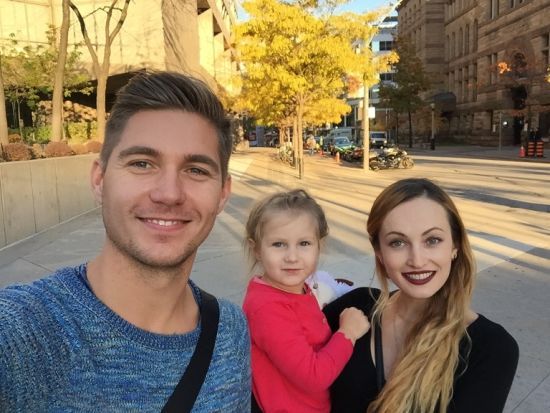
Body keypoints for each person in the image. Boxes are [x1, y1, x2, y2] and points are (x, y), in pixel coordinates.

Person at [0, 72, 250, 412]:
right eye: (142, 163)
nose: (169, 194)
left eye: (196, 170)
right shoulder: (23, 334)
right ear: (99, 180)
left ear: (222, 194)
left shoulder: (230, 332)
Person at [324, 178, 519, 413]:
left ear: (455, 245)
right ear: (379, 253)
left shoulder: (490, 348)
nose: (417, 260)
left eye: (432, 240)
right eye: (397, 243)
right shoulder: (354, 308)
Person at [242, 189, 370, 413]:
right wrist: (348, 332)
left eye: (304, 243)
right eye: (278, 244)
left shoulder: (295, 288)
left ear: (319, 246)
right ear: (257, 250)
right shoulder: (267, 308)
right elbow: (313, 377)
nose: (292, 257)